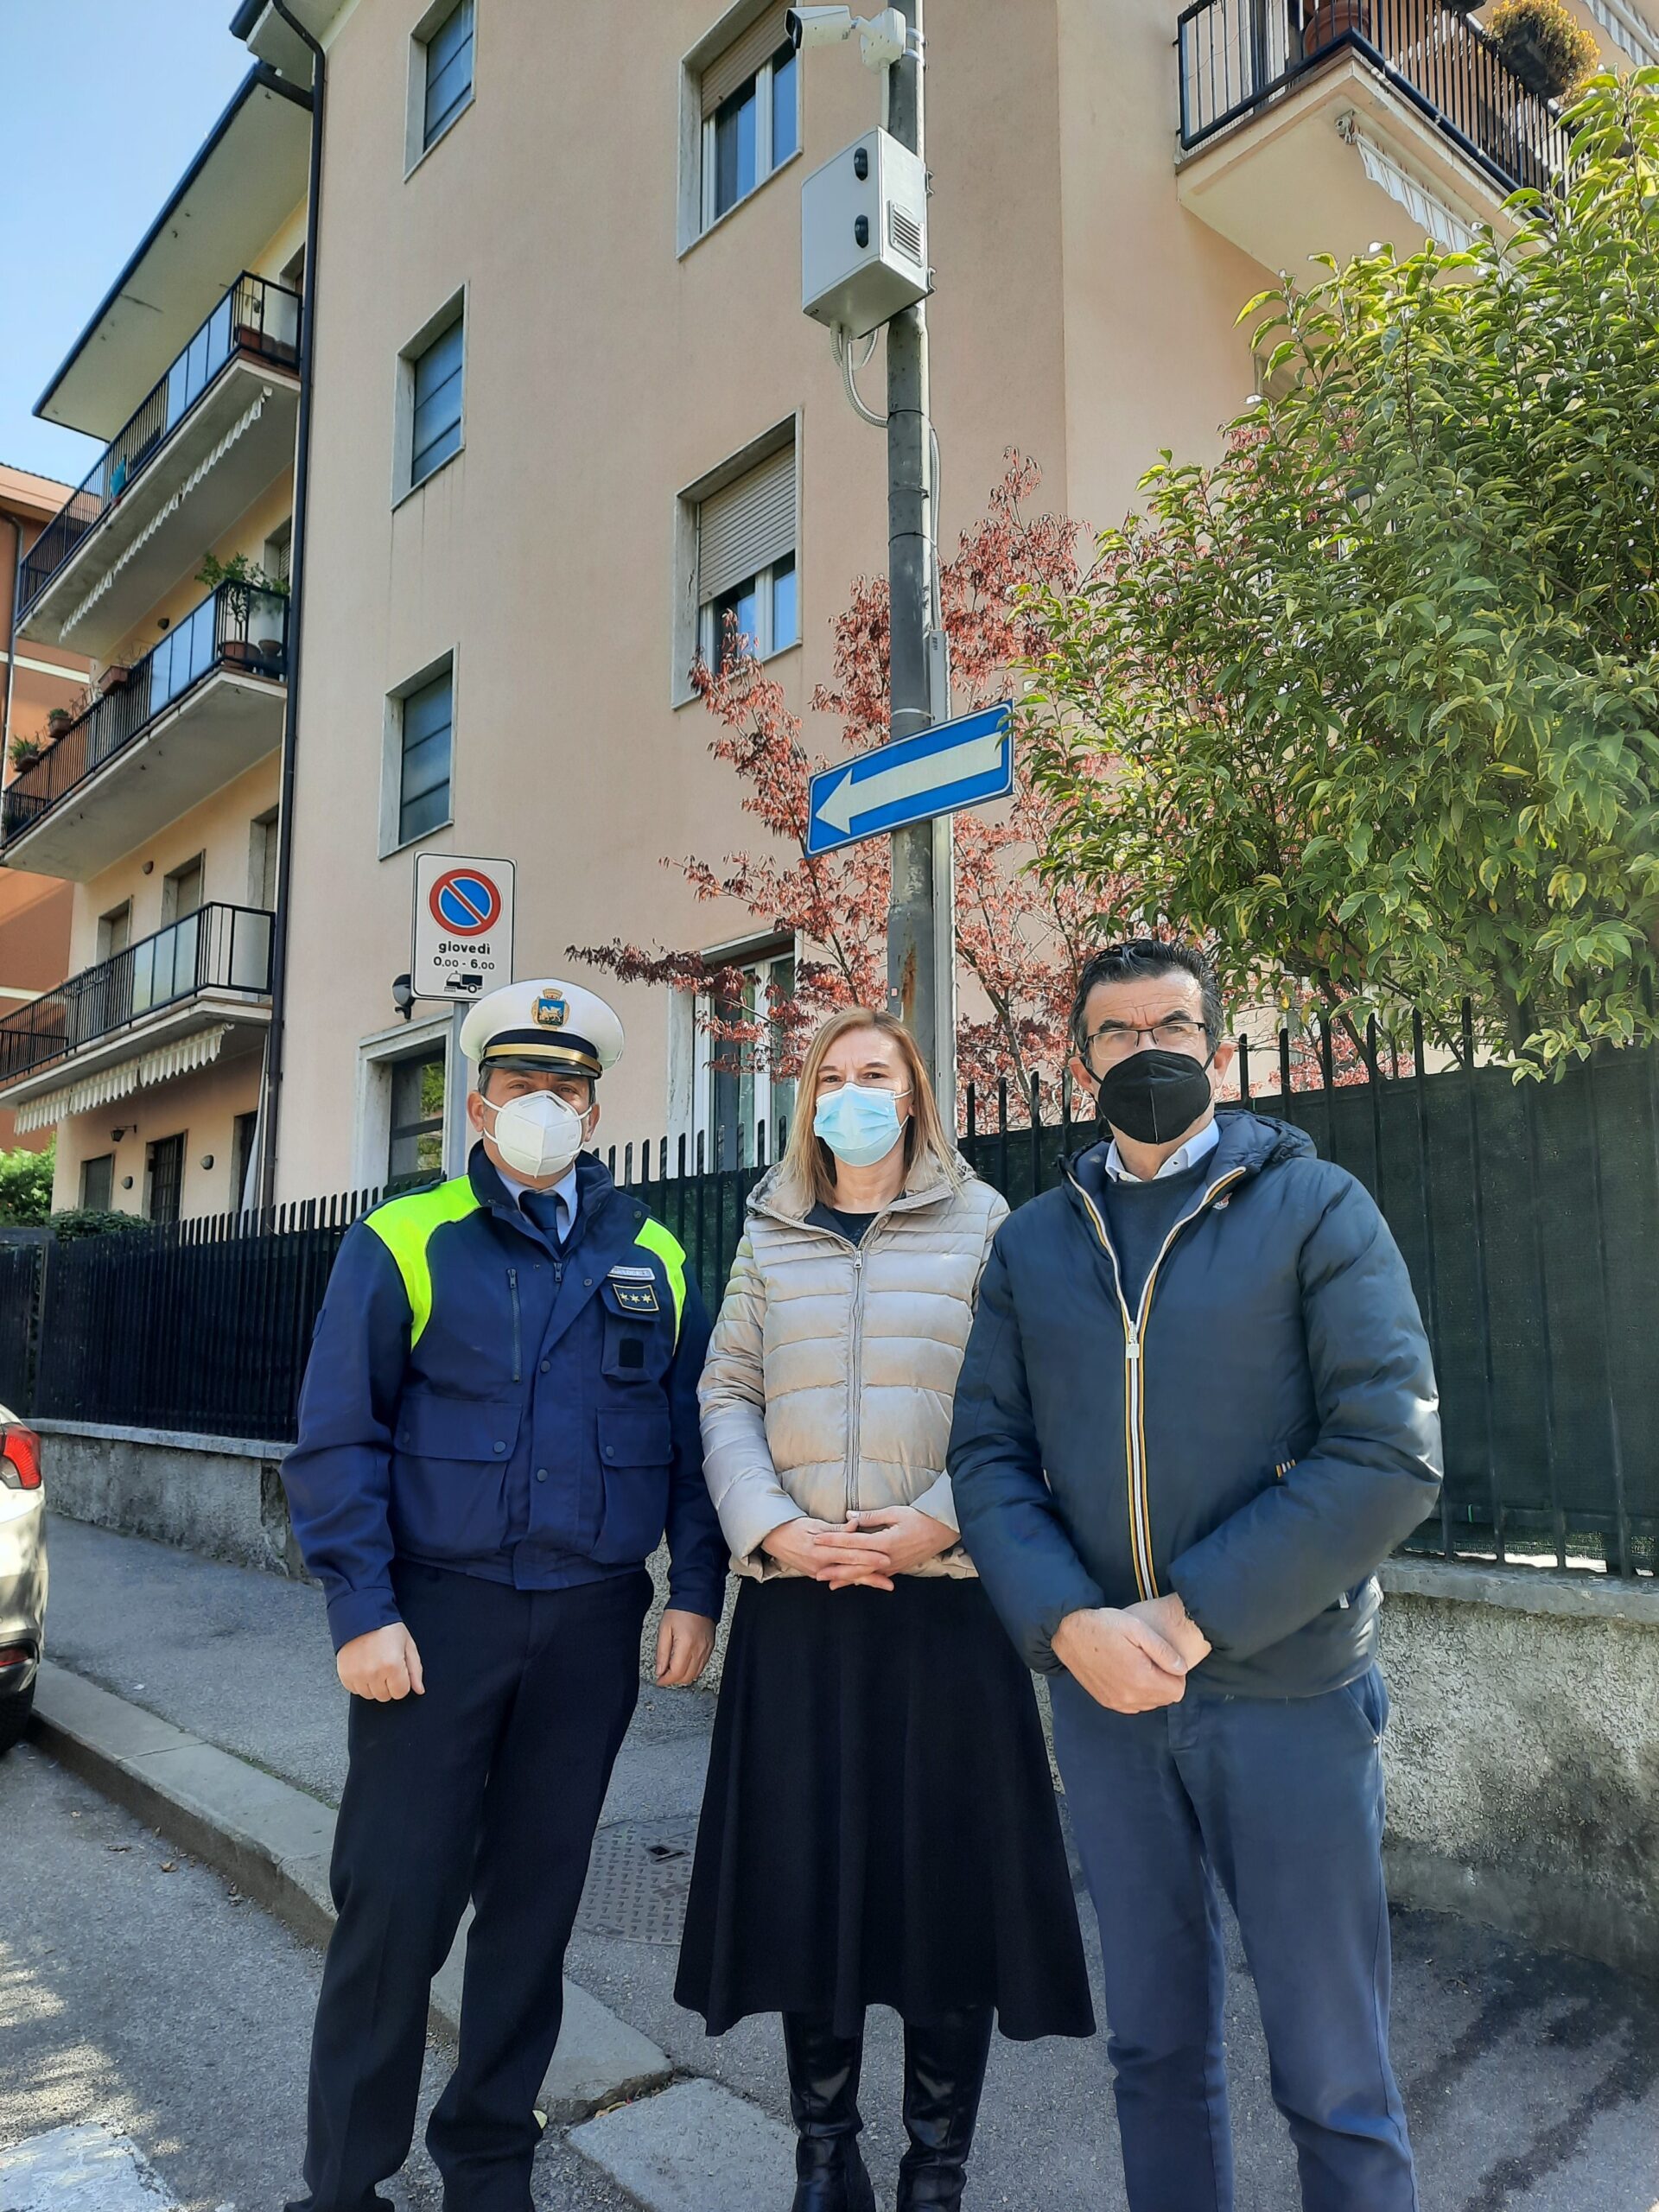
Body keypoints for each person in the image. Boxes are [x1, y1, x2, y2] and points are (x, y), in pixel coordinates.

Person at [949, 939, 1443, 2212]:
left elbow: (1390, 1450)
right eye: (1116, 1031)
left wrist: (1186, 1615)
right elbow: (988, 1453)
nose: (1147, 1049)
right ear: (1078, 1058)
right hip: (1108, 1710)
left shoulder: (1317, 1208)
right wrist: (1068, 1627)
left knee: (1335, 2072)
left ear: (1218, 1046)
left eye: (1173, 1023)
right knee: (1154, 2050)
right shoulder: (1035, 1245)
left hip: (1287, 1698)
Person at [280, 977, 726, 2212]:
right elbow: (337, 1439)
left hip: (591, 1621)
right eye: (523, 1087)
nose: (546, 1106)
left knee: (534, 1910)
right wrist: (360, 1610)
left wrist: (696, 1588)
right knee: (395, 1905)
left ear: (597, 1108)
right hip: (436, 1617)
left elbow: (692, 1438)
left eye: (568, 1089)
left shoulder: (654, 1251)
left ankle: (488, 2165)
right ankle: (344, 2184)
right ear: (477, 1106)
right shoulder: (405, 1239)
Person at [677, 1006, 1094, 2212]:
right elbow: (727, 1391)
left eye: (878, 1075)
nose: (853, 1092)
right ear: (808, 1100)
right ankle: (825, 2159)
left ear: (916, 1098)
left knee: (943, 1899)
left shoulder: (986, 1224)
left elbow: (1030, 1400)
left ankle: (934, 2173)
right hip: (801, 1610)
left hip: (943, 1613)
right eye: (833, 1076)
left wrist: (940, 1518)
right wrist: (774, 1528)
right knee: (810, 1886)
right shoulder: (770, 1229)